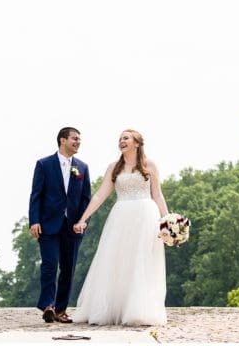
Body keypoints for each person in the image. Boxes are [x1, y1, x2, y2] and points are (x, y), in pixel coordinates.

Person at [71, 130, 168, 326]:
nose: (121, 141)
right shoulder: (114, 167)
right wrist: (83, 219)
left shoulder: (150, 165)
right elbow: (99, 195)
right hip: (121, 216)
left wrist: (167, 222)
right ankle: (114, 308)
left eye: (126, 138)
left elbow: (157, 195)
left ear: (137, 143)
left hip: (146, 215)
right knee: (117, 260)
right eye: (120, 139)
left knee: (142, 262)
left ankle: (138, 310)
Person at [29, 126, 91, 324]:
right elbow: (36, 195)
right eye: (75, 138)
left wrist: (83, 221)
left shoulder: (82, 167)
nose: (78, 142)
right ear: (62, 140)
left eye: (79, 139)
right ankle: (48, 305)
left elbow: (85, 198)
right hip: (48, 224)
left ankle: (61, 310)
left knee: (68, 268)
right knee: (49, 264)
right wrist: (34, 221)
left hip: (72, 227)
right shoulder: (44, 164)